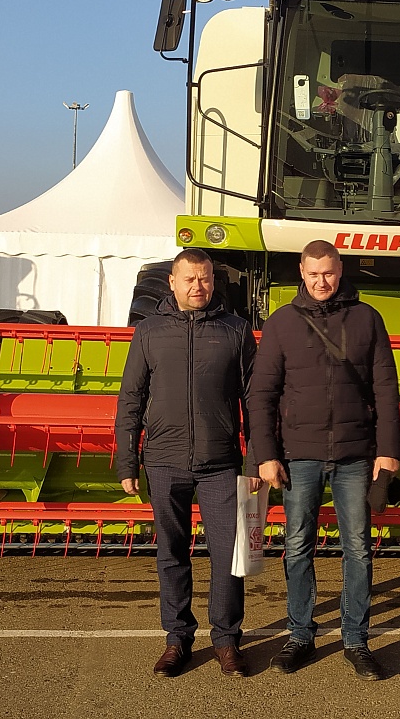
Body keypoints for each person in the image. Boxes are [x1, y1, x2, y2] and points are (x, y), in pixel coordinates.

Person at [248, 239, 400, 681]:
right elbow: (261, 395)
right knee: (298, 545)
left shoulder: (367, 318)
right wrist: (265, 455)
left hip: (355, 453)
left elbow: (385, 390)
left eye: (328, 273)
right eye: (313, 273)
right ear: (301, 271)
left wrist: (388, 451)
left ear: (340, 270)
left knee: (358, 548)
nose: (321, 281)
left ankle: (356, 639)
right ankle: (300, 635)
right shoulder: (282, 323)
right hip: (299, 455)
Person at [116, 248, 258, 679]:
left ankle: (226, 640)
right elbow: (131, 398)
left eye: (206, 278)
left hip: (221, 463)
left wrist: (255, 461)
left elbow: (254, 401)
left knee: (228, 555)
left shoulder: (235, 330)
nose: (199, 286)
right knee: (171, 553)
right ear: (173, 283)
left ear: (214, 281)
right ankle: (177, 639)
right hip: (164, 461)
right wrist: (127, 461)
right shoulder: (149, 332)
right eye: (190, 279)